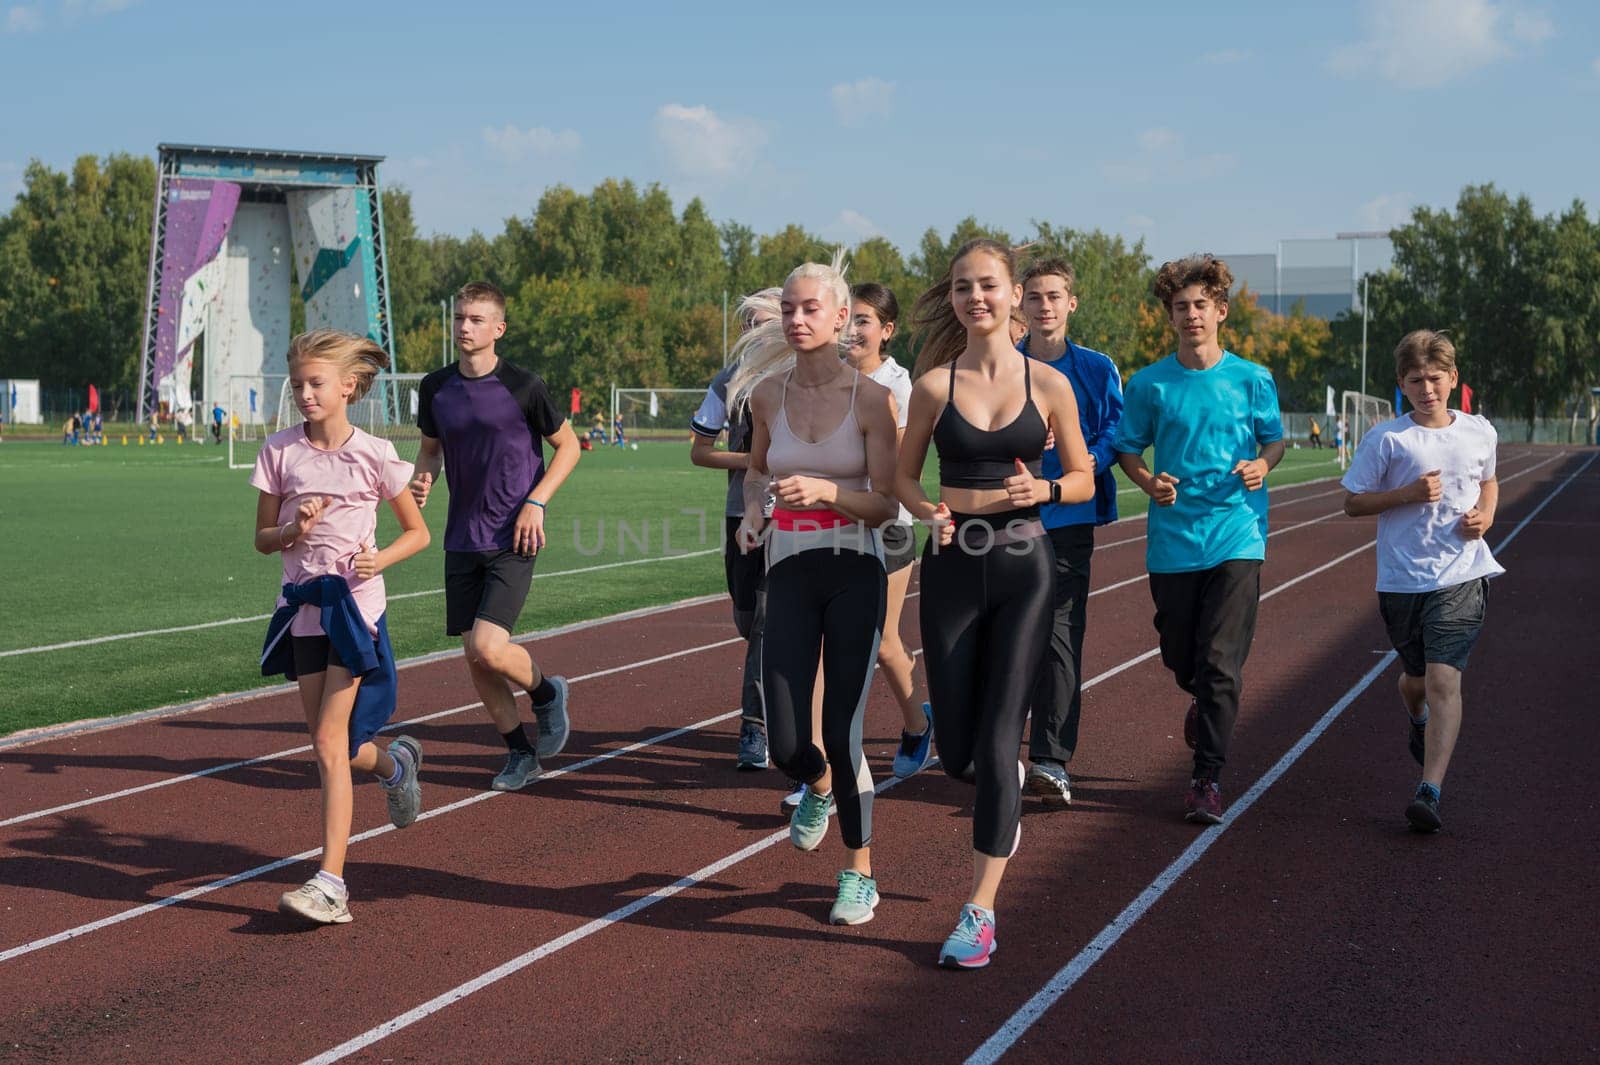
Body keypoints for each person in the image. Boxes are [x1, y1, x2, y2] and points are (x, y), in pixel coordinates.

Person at [897, 239, 1094, 968]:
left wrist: (1041, 490)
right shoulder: (932, 386)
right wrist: (927, 511)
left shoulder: (1049, 385)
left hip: (1023, 563)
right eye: (961, 287)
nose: (974, 297)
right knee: (958, 756)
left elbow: (1081, 477)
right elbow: (902, 478)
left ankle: (978, 911)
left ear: (1014, 295)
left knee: (1001, 733)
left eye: (987, 285)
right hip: (951, 563)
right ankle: (996, 779)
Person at [731, 254, 900, 927]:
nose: (798, 320)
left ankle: (859, 871)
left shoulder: (873, 401)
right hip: (789, 572)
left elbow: (887, 503)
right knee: (786, 743)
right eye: (790, 309)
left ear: (839, 317)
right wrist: (752, 512)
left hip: (855, 572)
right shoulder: (767, 396)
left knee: (843, 728)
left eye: (811, 309)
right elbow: (753, 473)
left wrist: (829, 491)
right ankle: (818, 785)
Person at [251, 329, 431, 925]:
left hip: (355, 611)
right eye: (298, 383)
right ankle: (396, 765)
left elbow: (417, 533)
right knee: (339, 748)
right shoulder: (278, 451)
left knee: (330, 744)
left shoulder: (376, 454)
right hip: (302, 607)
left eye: (316, 383)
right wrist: (291, 531)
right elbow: (260, 540)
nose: (304, 393)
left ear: (348, 387)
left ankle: (331, 885)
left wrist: (381, 558)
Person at [1114, 254, 1285, 826]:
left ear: (1221, 312)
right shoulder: (1149, 384)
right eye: (1181, 307)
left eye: (1200, 306)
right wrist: (1147, 480)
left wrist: (1263, 466)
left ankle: (1206, 778)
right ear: (1170, 316)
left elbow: (1273, 442)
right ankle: (1202, 698)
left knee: (1219, 664)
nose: (1191, 315)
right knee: (1180, 653)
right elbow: (1128, 449)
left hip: (1237, 532)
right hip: (1173, 539)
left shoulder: (1252, 379)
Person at [410, 281, 582, 790]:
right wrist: (423, 478)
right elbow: (430, 450)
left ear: (498, 329)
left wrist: (536, 502)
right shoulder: (434, 387)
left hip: (513, 534)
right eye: (460, 317)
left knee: (488, 646)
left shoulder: (524, 386)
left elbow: (567, 448)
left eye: (477, 319)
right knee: (475, 657)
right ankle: (519, 753)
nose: (465, 327)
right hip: (460, 537)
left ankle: (547, 694)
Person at [1340, 330, 1502, 832]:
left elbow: (1489, 483)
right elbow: (1353, 502)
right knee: (1415, 683)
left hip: (1462, 572)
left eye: (1435, 378)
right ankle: (1417, 717)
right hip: (1402, 580)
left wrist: (1487, 516)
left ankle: (1429, 790)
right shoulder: (1388, 439)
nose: (1426, 388)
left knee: (1443, 678)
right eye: (1416, 380)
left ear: (1453, 379)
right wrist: (1407, 493)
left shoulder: (1480, 431)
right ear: (1401, 384)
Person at [1016, 257, 1124, 806]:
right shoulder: (1001, 366)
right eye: (1035, 297)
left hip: (1069, 519)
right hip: (1006, 519)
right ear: (1021, 304)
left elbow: (1115, 433)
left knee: (1059, 637)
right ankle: (997, 745)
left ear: (1071, 303)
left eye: (1054, 296)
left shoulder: (1098, 369)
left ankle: (1051, 760)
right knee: (1008, 637)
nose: (1045, 306)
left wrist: (1079, 460)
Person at [843, 282, 934, 778]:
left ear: (886, 329)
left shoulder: (899, 386)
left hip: (889, 527)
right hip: (835, 524)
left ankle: (918, 723)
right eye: (848, 318)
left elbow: (899, 471)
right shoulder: (828, 378)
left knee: (882, 642)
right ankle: (829, 756)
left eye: (863, 320)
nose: (852, 329)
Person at [690, 287, 782, 772]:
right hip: (738, 511)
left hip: (791, 513)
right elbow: (700, 451)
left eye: (762, 322)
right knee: (748, 621)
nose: (753, 332)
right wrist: (755, 461)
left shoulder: (800, 378)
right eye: (747, 324)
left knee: (767, 622)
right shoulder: (729, 381)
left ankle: (755, 727)